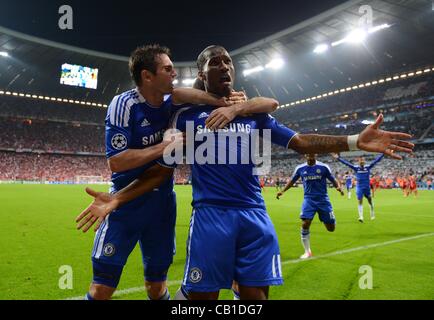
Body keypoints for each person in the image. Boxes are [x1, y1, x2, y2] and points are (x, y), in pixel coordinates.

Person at [77, 45, 414, 300]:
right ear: (202, 73)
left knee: (255, 299)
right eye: (215, 63)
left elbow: (301, 142)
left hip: (254, 216)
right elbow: (160, 171)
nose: (224, 66)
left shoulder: (254, 114)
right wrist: (117, 199)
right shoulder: (186, 118)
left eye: (228, 62)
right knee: (200, 299)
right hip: (211, 217)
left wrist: (354, 140)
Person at [79, 44, 251, 301]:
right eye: (168, 69)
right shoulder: (124, 104)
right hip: (125, 204)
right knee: (102, 288)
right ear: (147, 76)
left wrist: (227, 103)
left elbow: (193, 92)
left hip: (161, 206)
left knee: (156, 286)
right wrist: (164, 146)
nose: (174, 74)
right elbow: (117, 161)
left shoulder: (172, 104)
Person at [276, 154, 344, 259]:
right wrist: (282, 191)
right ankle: (307, 252)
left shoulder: (323, 167)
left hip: (323, 200)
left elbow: (332, 179)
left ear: (316, 154)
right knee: (305, 223)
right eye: (308, 153)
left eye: (313, 153)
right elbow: (292, 181)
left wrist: (338, 187)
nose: (311, 155)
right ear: (305, 155)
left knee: (331, 228)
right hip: (309, 199)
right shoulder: (300, 168)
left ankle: (329, 218)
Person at [332, 154, 384, 222]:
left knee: (369, 200)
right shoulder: (356, 168)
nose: (362, 161)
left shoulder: (368, 167)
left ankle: (372, 212)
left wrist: (384, 154)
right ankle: (361, 217)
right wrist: (338, 158)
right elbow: (347, 163)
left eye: (363, 160)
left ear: (364, 161)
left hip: (367, 187)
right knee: (360, 200)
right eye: (360, 160)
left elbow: (377, 160)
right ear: (358, 162)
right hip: (359, 187)